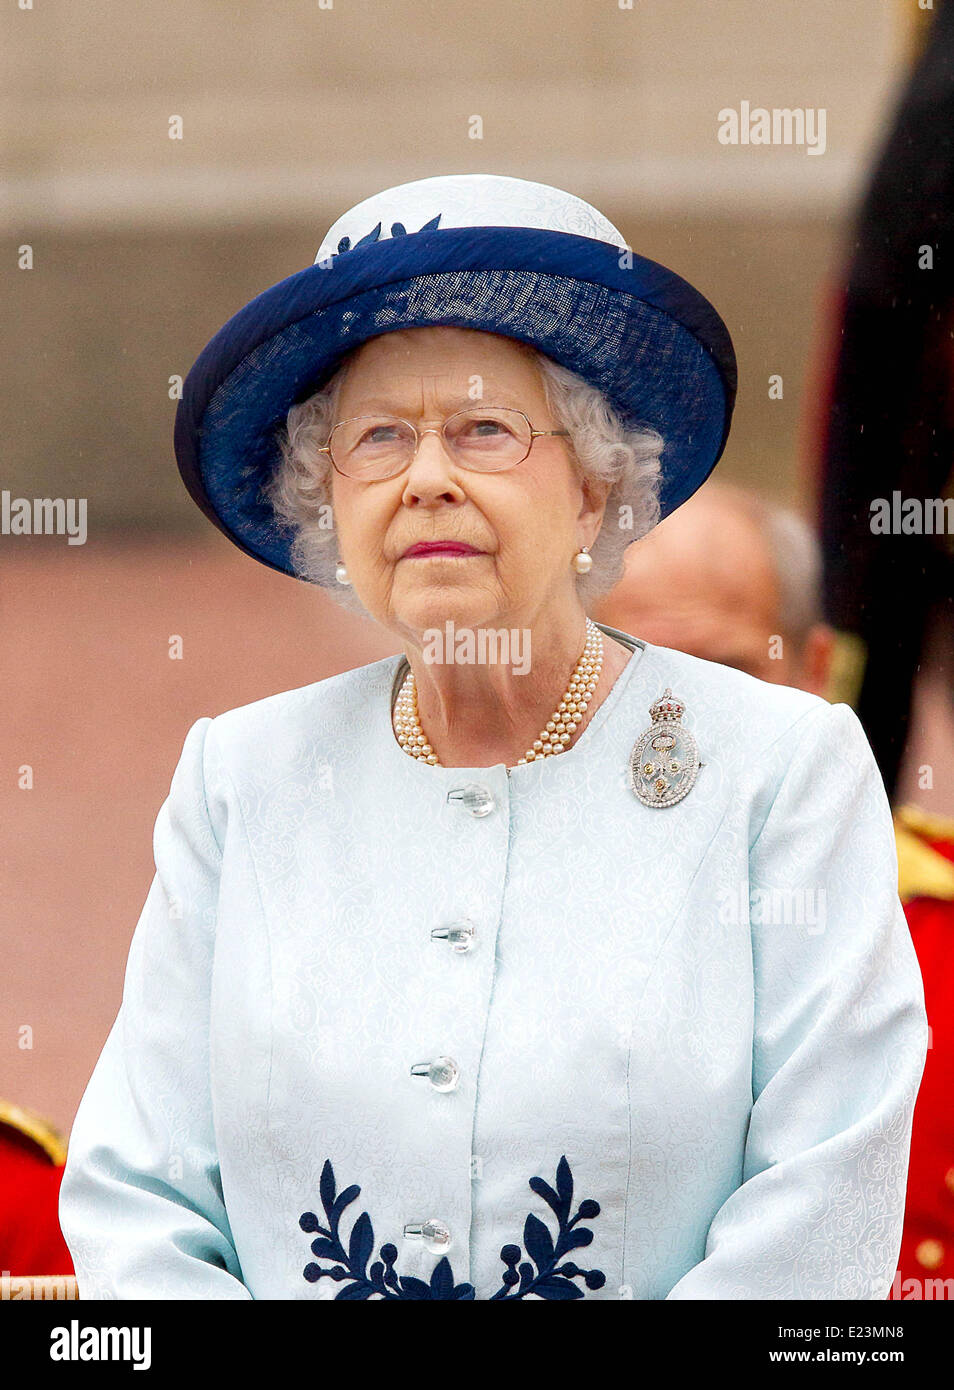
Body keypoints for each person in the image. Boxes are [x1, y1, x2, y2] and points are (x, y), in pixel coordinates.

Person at [59, 173, 927, 1300]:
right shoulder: (241, 780)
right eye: (377, 438)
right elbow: (138, 1197)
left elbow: (824, 1201)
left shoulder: (783, 774)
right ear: (329, 501)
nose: (426, 480)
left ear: (593, 483)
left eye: (483, 429)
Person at [594, 478, 953, 1298]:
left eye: (724, 672)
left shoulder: (940, 931)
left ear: (816, 672)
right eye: (629, 678)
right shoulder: (474, 921)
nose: (672, 731)